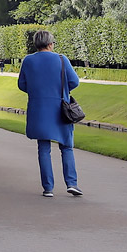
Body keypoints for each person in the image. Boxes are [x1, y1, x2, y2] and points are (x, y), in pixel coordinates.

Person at [17, 29, 81, 197]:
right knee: (67, 146)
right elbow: (74, 81)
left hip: (38, 108)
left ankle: (48, 188)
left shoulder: (28, 60)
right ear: (51, 43)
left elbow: (22, 84)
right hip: (60, 107)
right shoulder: (61, 59)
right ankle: (71, 183)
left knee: (43, 148)